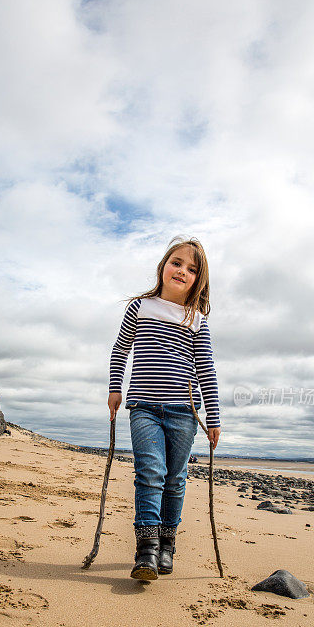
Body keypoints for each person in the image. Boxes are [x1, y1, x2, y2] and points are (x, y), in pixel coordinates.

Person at [108, 235, 221, 581]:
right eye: (177, 263)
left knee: (175, 479)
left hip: (184, 412)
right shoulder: (140, 307)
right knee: (150, 473)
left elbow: (206, 368)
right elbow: (120, 350)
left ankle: (167, 546)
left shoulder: (196, 318)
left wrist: (213, 417)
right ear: (163, 267)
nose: (182, 271)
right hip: (142, 406)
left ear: (197, 281)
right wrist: (115, 389)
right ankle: (147, 550)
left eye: (191, 269)